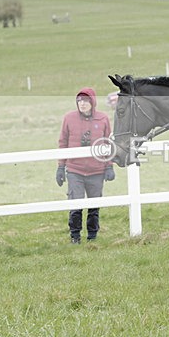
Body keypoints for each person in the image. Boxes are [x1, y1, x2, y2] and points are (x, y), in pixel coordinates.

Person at [56, 87, 115, 243]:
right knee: (76, 204)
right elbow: (63, 142)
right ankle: (75, 236)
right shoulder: (69, 118)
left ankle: (92, 237)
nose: (82, 104)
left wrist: (109, 166)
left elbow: (108, 143)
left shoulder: (103, 119)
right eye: (79, 101)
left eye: (86, 101)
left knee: (94, 205)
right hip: (75, 170)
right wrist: (61, 167)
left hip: (97, 171)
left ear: (93, 102)